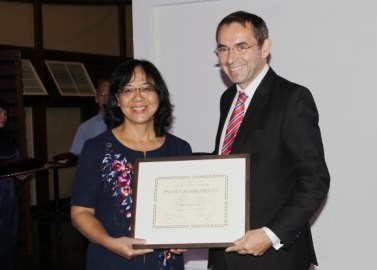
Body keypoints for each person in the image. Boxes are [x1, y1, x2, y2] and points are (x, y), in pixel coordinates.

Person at [208, 11, 331, 270]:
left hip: (274, 258)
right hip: (225, 256)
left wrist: (270, 234)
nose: (231, 59)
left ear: (265, 47)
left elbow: (315, 179)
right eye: (223, 49)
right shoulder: (227, 99)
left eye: (242, 47)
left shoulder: (292, 98)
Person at [70, 59, 192, 270]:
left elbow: (189, 210)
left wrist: (185, 236)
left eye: (146, 88)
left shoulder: (180, 149)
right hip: (110, 260)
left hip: (166, 264)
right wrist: (110, 243)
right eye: (128, 90)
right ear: (117, 98)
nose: (138, 97)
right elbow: (80, 213)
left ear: (159, 95)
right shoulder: (96, 149)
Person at [0, 98, 19, 270]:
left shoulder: (9, 140)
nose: (3, 117)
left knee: (9, 236)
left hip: (8, 194)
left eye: (5, 113)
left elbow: (18, 168)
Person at [69, 79, 111, 156]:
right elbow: (77, 155)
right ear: (96, 99)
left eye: (109, 95)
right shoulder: (85, 127)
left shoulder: (125, 123)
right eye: (102, 95)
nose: (106, 99)